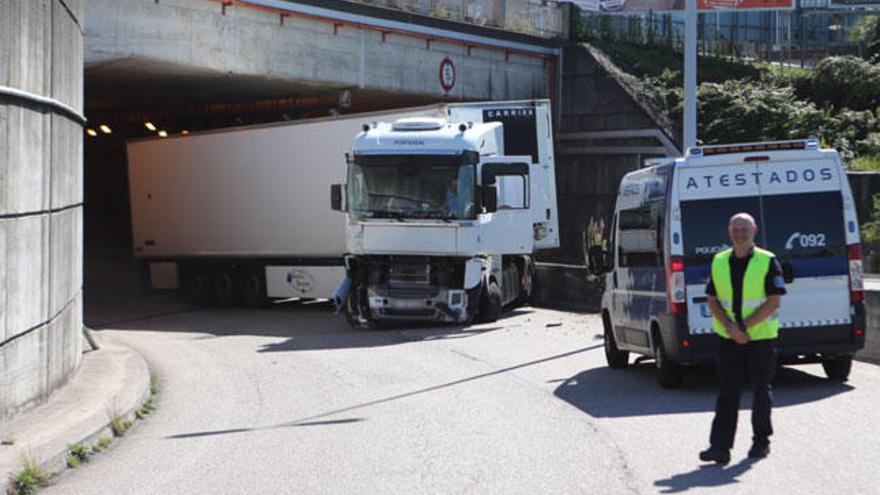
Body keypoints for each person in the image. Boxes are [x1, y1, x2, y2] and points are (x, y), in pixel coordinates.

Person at [699, 212, 786, 465]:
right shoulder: (719, 260)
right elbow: (712, 300)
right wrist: (730, 328)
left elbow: (774, 301)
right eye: (735, 229)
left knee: (760, 391)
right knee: (728, 392)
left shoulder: (767, 260)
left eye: (744, 229)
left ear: (754, 230)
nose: (739, 233)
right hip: (728, 339)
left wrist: (744, 327)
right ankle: (719, 447)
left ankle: (761, 441)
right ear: (729, 231)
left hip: (759, 338)